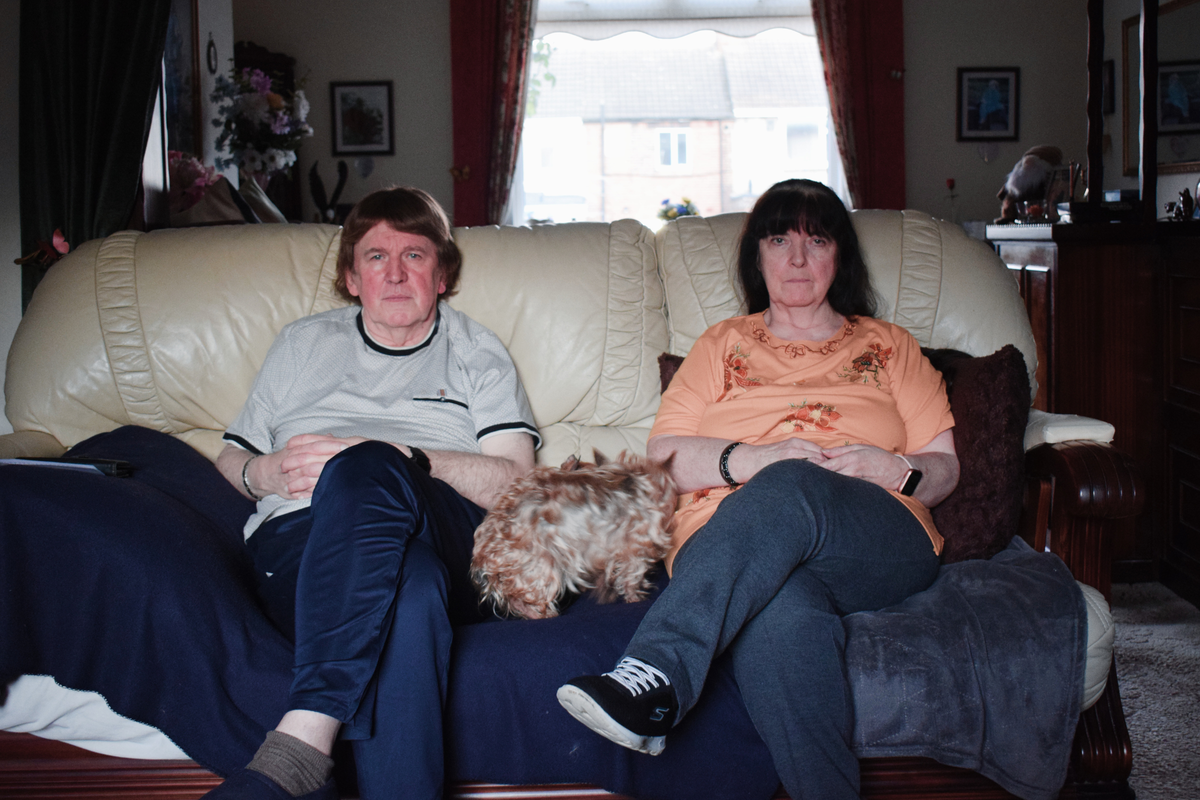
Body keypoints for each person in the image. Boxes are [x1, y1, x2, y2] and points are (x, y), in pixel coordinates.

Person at [557, 179, 960, 800]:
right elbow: (661, 459)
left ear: (839, 256)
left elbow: (945, 466)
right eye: (779, 240)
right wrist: (752, 459)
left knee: (794, 481)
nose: (797, 259)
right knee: (781, 612)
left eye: (815, 240)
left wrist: (895, 470)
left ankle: (657, 673)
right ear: (758, 257)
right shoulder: (721, 346)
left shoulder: (888, 346)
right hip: (733, 539)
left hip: (872, 536)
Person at [206, 187, 539, 800]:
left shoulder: (475, 351)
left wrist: (404, 458)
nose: (394, 272)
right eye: (376, 256)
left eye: (414, 255)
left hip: (445, 532)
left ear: (442, 274)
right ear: (351, 277)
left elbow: (518, 485)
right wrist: (268, 472)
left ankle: (304, 739)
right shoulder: (302, 344)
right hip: (305, 544)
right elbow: (229, 461)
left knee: (367, 467)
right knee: (408, 590)